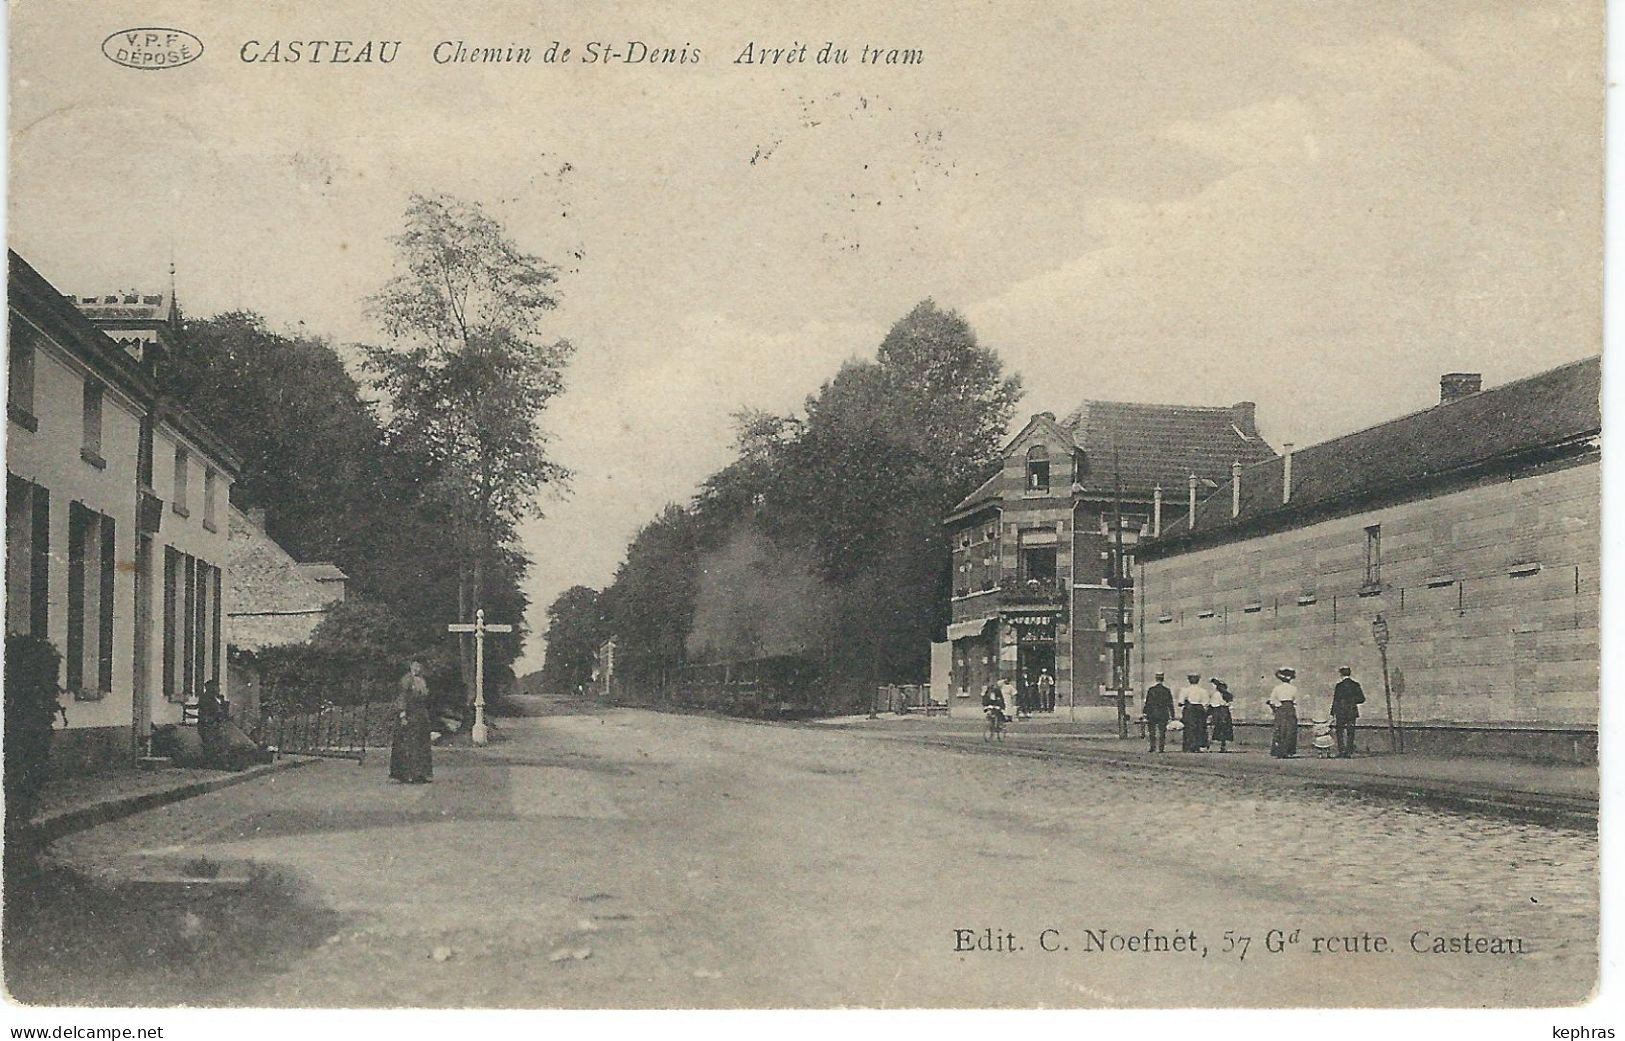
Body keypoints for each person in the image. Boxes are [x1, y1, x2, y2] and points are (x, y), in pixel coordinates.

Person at [391, 660, 434, 784]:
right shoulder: (406, 680)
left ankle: (421, 773)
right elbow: (402, 698)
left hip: (420, 716)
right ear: (411, 667)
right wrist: (403, 715)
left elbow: (425, 697)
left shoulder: (421, 680)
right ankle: (407, 774)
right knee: (409, 745)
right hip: (409, 715)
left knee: (421, 744)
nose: (417, 669)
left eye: (419, 666)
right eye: (415, 666)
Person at [1330, 666, 1365, 758]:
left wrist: (1332, 712)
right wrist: (1352, 701)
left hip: (1340, 711)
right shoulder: (1355, 685)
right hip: (1351, 711)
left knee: (1339, 731)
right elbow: (1362, 699)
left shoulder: (1339, 686)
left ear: (1341, 674)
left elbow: (1335, 700)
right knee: (1351, 731)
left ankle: (1341, 750)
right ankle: (1349, 751)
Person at [1266, 667, 1299, 758]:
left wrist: (1277, 706)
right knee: (1290, 729)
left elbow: (1272, 700)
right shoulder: (1294, 688)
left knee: (1280, 729)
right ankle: (1288, 751)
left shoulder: (1277, 688)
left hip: (1281, 709)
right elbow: (1296, 701)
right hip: (1290, 708)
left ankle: (1279, 751)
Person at [1142, 672, 1174, 753]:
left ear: (1156, 679)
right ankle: (1161, 748)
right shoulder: (1166, 690)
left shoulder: (1151, 690)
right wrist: (1172, 715)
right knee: (1162, 731)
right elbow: (1170, 703)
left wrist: (1144, 712)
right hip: (1163, 713)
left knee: (1152, 731)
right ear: (1163, 679)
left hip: (1152, 713)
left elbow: (1148, 703)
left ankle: (1152, 747)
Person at [1178, 672, 1207, 752]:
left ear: (1189, 680)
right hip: (1199, 709)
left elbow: (1180, 702)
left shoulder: (1185, 690)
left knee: (1189, 728)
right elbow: (1205, 703)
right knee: (1199, 728)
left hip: (1189, 709)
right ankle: (1197, 746)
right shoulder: (1203, 691)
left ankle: (1189, 746)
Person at [1207, 678, 1235, 752]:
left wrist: (1208, 713)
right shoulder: (1227, 695)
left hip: (1218, 712)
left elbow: (1213, 705)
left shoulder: (1216, 694)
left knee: (1215, 729)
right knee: (1224, 729)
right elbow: (1230, 706)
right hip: (1225, 713)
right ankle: (1223, 746)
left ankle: (1212, 746)